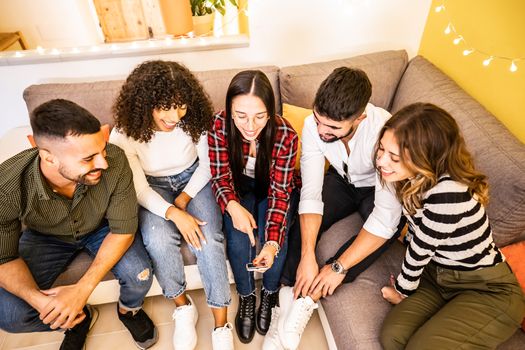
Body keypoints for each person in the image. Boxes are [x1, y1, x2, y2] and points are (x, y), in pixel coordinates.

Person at [264, 67, 403, 350]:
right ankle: (287, 297)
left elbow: (384, 219)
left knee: (384, 233)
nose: (320, 131)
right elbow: (312, 194)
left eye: (333, 129)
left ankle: (306, 301)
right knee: (298, 217)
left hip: (377, 187)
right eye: (318, 121)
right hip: (340, 179)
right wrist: (306, 256)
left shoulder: (385, 133)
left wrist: (338, 267)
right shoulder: (313, 126)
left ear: (360, 118)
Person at [0, 99, 158, 350]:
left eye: (102, 150)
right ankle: (76, 320)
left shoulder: (115, 161)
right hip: (45, 237)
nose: (103, 163)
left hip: (102, 228)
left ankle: (129, 311)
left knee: (140, 276)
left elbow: (123, 231)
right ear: (48, 157)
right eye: (88, 158)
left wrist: (81, 289)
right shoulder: (6, 187)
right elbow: (3, 258)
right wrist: (41, 302)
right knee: (9, 316)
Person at [378, 102, 525, 349]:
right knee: (392, 337)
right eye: (381, 150)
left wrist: (403, 289)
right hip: (438, 276)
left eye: (394, 157)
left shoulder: (449, 192)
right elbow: (415, 230)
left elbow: (421, 248)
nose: (381, 161)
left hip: (487, 289)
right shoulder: (413, 178)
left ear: (426, 156)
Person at [110, 60, 233, 350]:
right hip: (152, 186)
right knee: (157, 239)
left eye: (181, 106)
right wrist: (173, 213)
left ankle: (220, 323)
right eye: (166, 106)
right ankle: (182, 306)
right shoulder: (123, 134)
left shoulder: (196, 120)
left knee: (209, 238)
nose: (175, 116)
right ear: (145, 103)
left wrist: (185, 198)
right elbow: (138, 187)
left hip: (194, 179)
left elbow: (208, 166)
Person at [208, 70, 300, 344]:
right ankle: (247, 296)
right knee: (237, 241)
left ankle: (270, 293)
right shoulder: (219, 125)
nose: (250, 126)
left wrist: (271, 243)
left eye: (260, 116)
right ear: (229, 110)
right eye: (241, 116)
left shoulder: (285, 135)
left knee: (276, 241)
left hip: (274, 188)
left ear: (270, 112)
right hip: (240, 190)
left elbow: (280, 193)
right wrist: (232, 205)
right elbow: (220, 176)